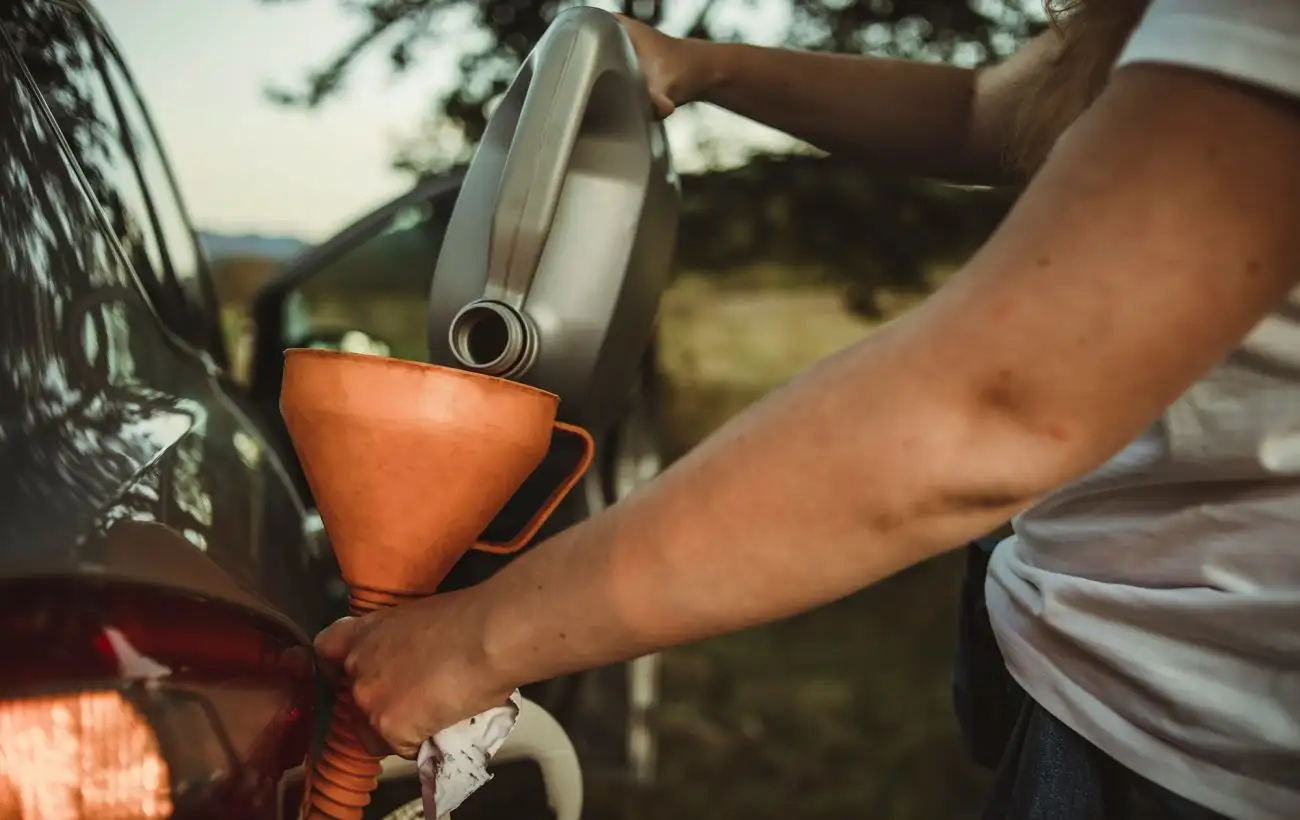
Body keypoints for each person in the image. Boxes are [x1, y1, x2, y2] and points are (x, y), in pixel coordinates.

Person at [316, 1, 1300, 818]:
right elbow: (984, 105)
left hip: (1196, 752)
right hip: (1090, 672)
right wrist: (703, 67)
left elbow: (990, 411)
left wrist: (481, 640)